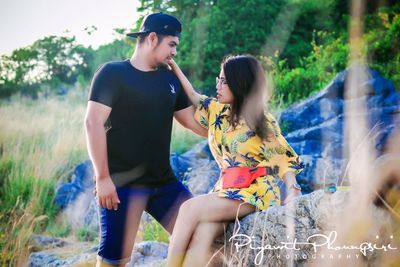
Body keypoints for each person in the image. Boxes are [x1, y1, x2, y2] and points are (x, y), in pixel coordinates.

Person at [84, 12, 207, 267]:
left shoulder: (169, 79)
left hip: (164, 184)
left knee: (202, 238)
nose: (174, 52)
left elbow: (190, 121)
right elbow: (92, 122)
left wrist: (232, 135)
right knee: (114, 262)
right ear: (152, 38)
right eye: (171, 44)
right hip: (121, 186)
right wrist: (103, 177)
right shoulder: (112, 73)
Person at [165, 55, 304, 267]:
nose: (218, 86)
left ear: (240, 84)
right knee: (203, 234)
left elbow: (281, 157)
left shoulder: (260, 118)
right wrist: (173, 66)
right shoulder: (218, 112)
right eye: (218, 80)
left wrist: (293, 189)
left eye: (225, 82)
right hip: (225, 189)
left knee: (188, 209)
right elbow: (192, 94)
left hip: (254, 191)